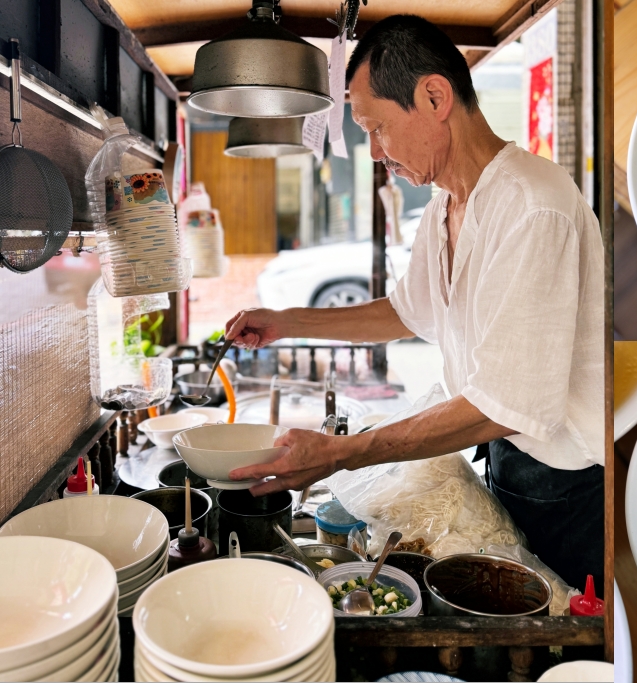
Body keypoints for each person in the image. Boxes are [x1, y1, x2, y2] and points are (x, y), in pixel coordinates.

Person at [225, 14, 604, 595]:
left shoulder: (533, 206)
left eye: (376, 128)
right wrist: (289, 322)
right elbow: (406, 312)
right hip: (508, 461)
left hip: (570, 487)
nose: (376, 152)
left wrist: (344, 453)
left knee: (563, 625)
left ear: (434, 96)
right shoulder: (445, 206)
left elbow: (504, 405)